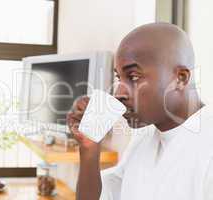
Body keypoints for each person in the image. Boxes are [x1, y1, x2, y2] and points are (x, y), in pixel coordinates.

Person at [66, 22, 213, 200]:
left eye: (134, 77)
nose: (119, 93)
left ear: (180, 79)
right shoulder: (143, 139)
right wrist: (89, 148)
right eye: (119, 77)